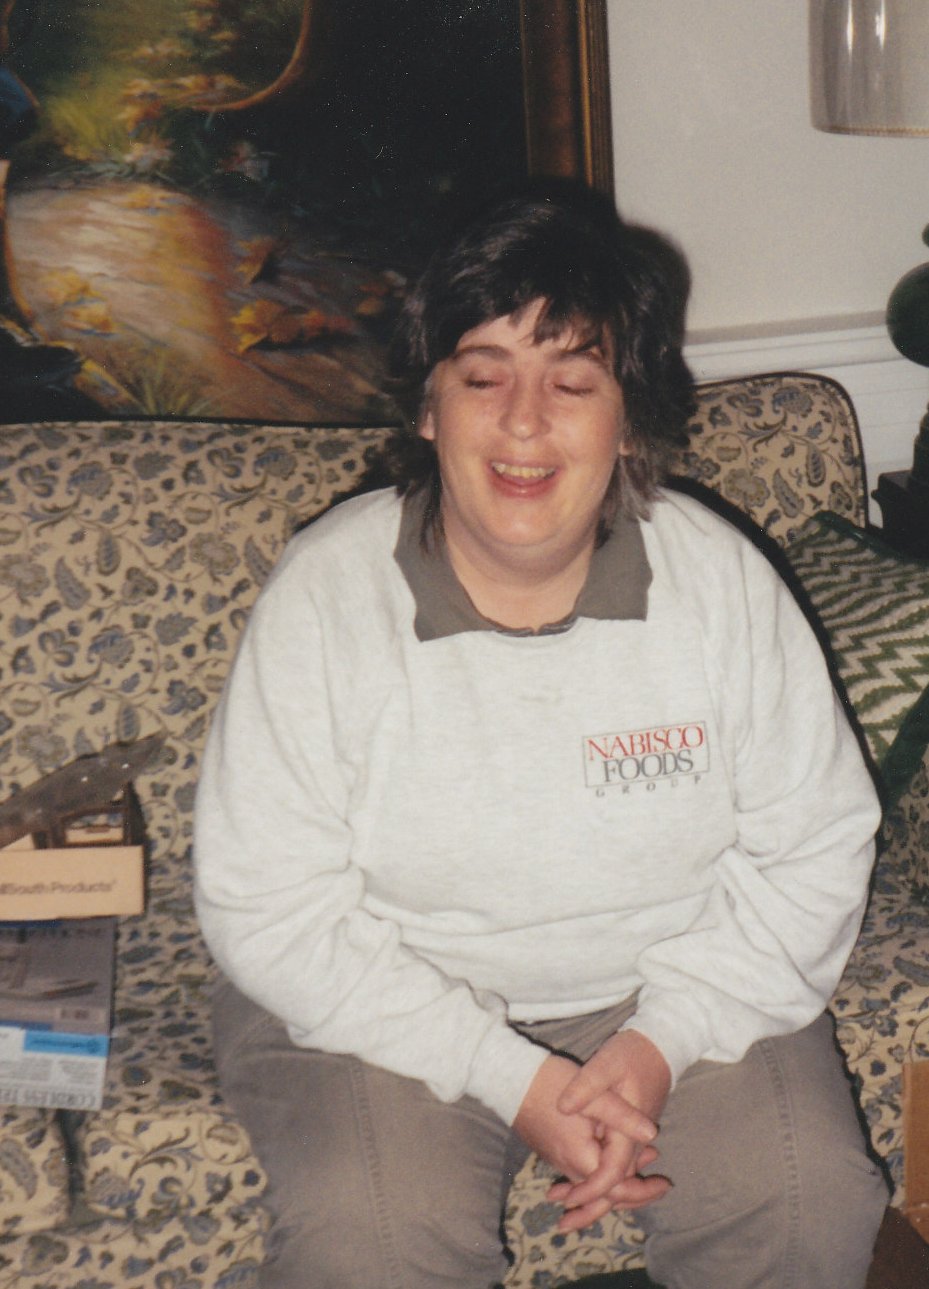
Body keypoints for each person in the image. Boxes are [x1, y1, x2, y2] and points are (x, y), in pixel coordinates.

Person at [193, 182, 888, 1289]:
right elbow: (267, 904)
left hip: (664, 980)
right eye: (482, 378)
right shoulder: (326, 594)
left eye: (572, 382)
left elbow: (812, 846)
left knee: (806, 1200)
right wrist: (510, 1073)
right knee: (370, 1245)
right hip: (384, 989)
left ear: (628, 418)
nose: (523, 422)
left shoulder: (718, 583)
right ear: (428, 408)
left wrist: (659, 1042)